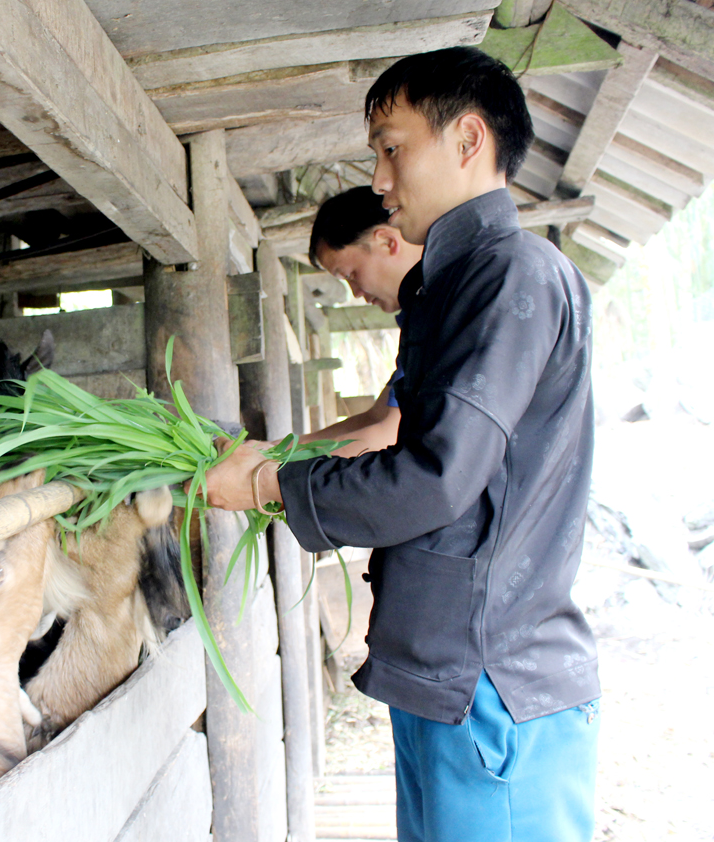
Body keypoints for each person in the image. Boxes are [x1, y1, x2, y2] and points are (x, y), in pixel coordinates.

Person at [202, 47, 600, 842]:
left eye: (392, 147)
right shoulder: (450, 290)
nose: (379, 181)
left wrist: (269, 485)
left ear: (467, 140)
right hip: (445, 678)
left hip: (494, 687)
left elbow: (432, 479)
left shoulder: (511, 277)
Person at [304, 186, 422, 456]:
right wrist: (273, 449)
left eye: (352, 274)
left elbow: (386, 435)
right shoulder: (418, 319)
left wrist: (260, 474)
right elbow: (377, 417)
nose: (356, 293)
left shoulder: (444, 306)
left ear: (387, 242)